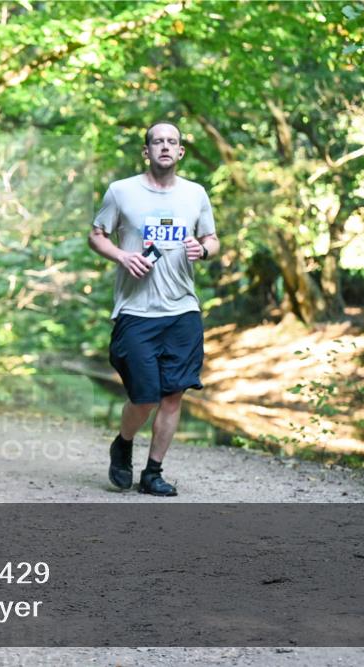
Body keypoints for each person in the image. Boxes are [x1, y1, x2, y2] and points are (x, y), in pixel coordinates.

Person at [88, 121, 219, 496]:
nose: (165, 146)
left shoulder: (196, 194)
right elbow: (96, 235)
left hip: (183, 310)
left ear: (180, 152)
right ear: (146, 151)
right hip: (135, 312)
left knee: (174, 394)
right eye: (157, 141)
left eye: (172, 141)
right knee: (144, 396)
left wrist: (204, 250)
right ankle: (123, 443)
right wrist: (122, 256)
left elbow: (211, 239)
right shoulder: (121, 191)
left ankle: (153, 472)